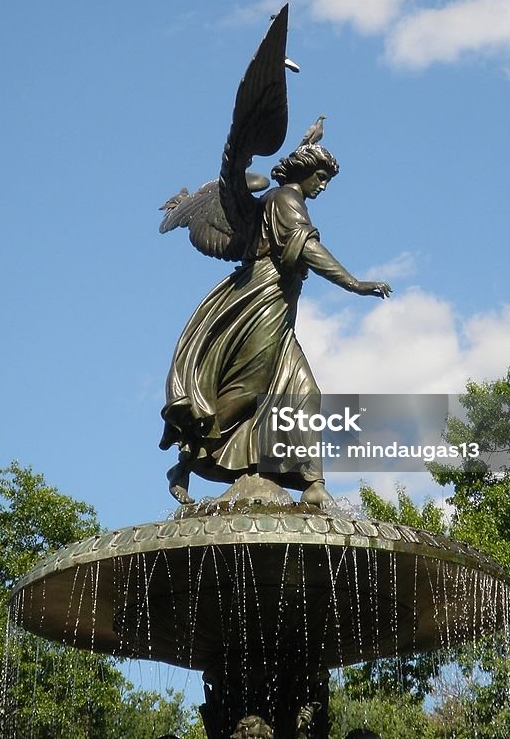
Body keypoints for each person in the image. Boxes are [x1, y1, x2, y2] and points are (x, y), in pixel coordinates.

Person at [160, 145, 392, 505]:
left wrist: (307, 140)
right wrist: (354, 284)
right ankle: (187, 460)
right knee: (250, 392)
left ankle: (313, 483)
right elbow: (310, 250)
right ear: (304, 172)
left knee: (305, 391)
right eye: (321, 177)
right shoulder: (286, 198)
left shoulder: (281, 198)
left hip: (282, 312)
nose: (324, 186)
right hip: (263, 301)